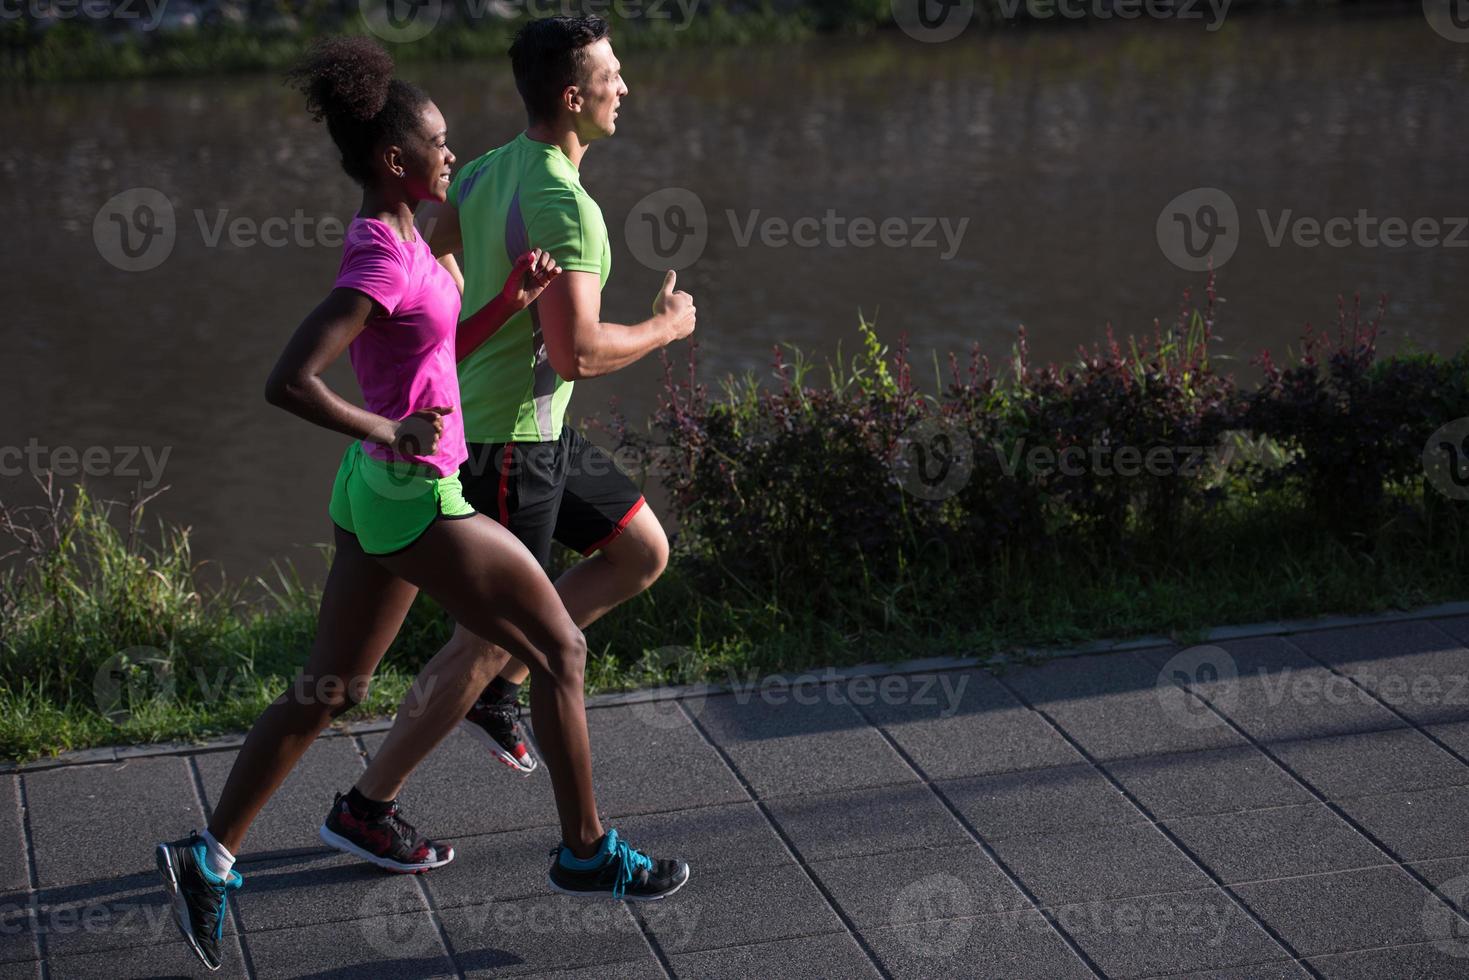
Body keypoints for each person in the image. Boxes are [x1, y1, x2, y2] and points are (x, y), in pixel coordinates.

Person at [154, 36, 688, 974]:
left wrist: (503, 306)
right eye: (438, 144)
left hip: (374, 493)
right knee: (557, 646)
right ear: (395, 162)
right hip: (411, 492)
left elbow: (431, 343)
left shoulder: (406, 233)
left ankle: (208, 858)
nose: (454, 154)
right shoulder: (379, 258)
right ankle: (586, 854)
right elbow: (288, 381)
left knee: (334, 688)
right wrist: (388, 426)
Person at [405, 14, 697, 777]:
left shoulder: (482, 169)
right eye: (611, 77)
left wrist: (480, 317)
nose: (623, 88)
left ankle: (497, 694)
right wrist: (666, 328)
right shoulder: (566, 205)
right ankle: (370, 802)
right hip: (508, 445)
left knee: (639, 553)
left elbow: (428, 257)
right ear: (573, 97)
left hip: (534, 433)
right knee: (487, 635)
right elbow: (578, 355)